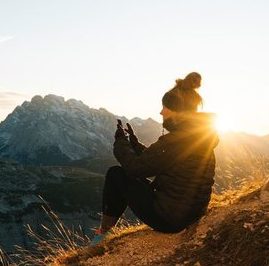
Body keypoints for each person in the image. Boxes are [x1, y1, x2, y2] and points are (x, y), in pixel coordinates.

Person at [92, 72, 219, 245]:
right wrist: (135, 146)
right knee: (122, 174)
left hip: (171, 219)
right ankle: (103, 234)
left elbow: (136, 169)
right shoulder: (198, 137)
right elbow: (164, 161)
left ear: (177, 112)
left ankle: (102, 235)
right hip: (192, 213)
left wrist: (121, 144)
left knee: (116, 174)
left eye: (165, 107)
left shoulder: (177, 140)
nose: (161, 111)